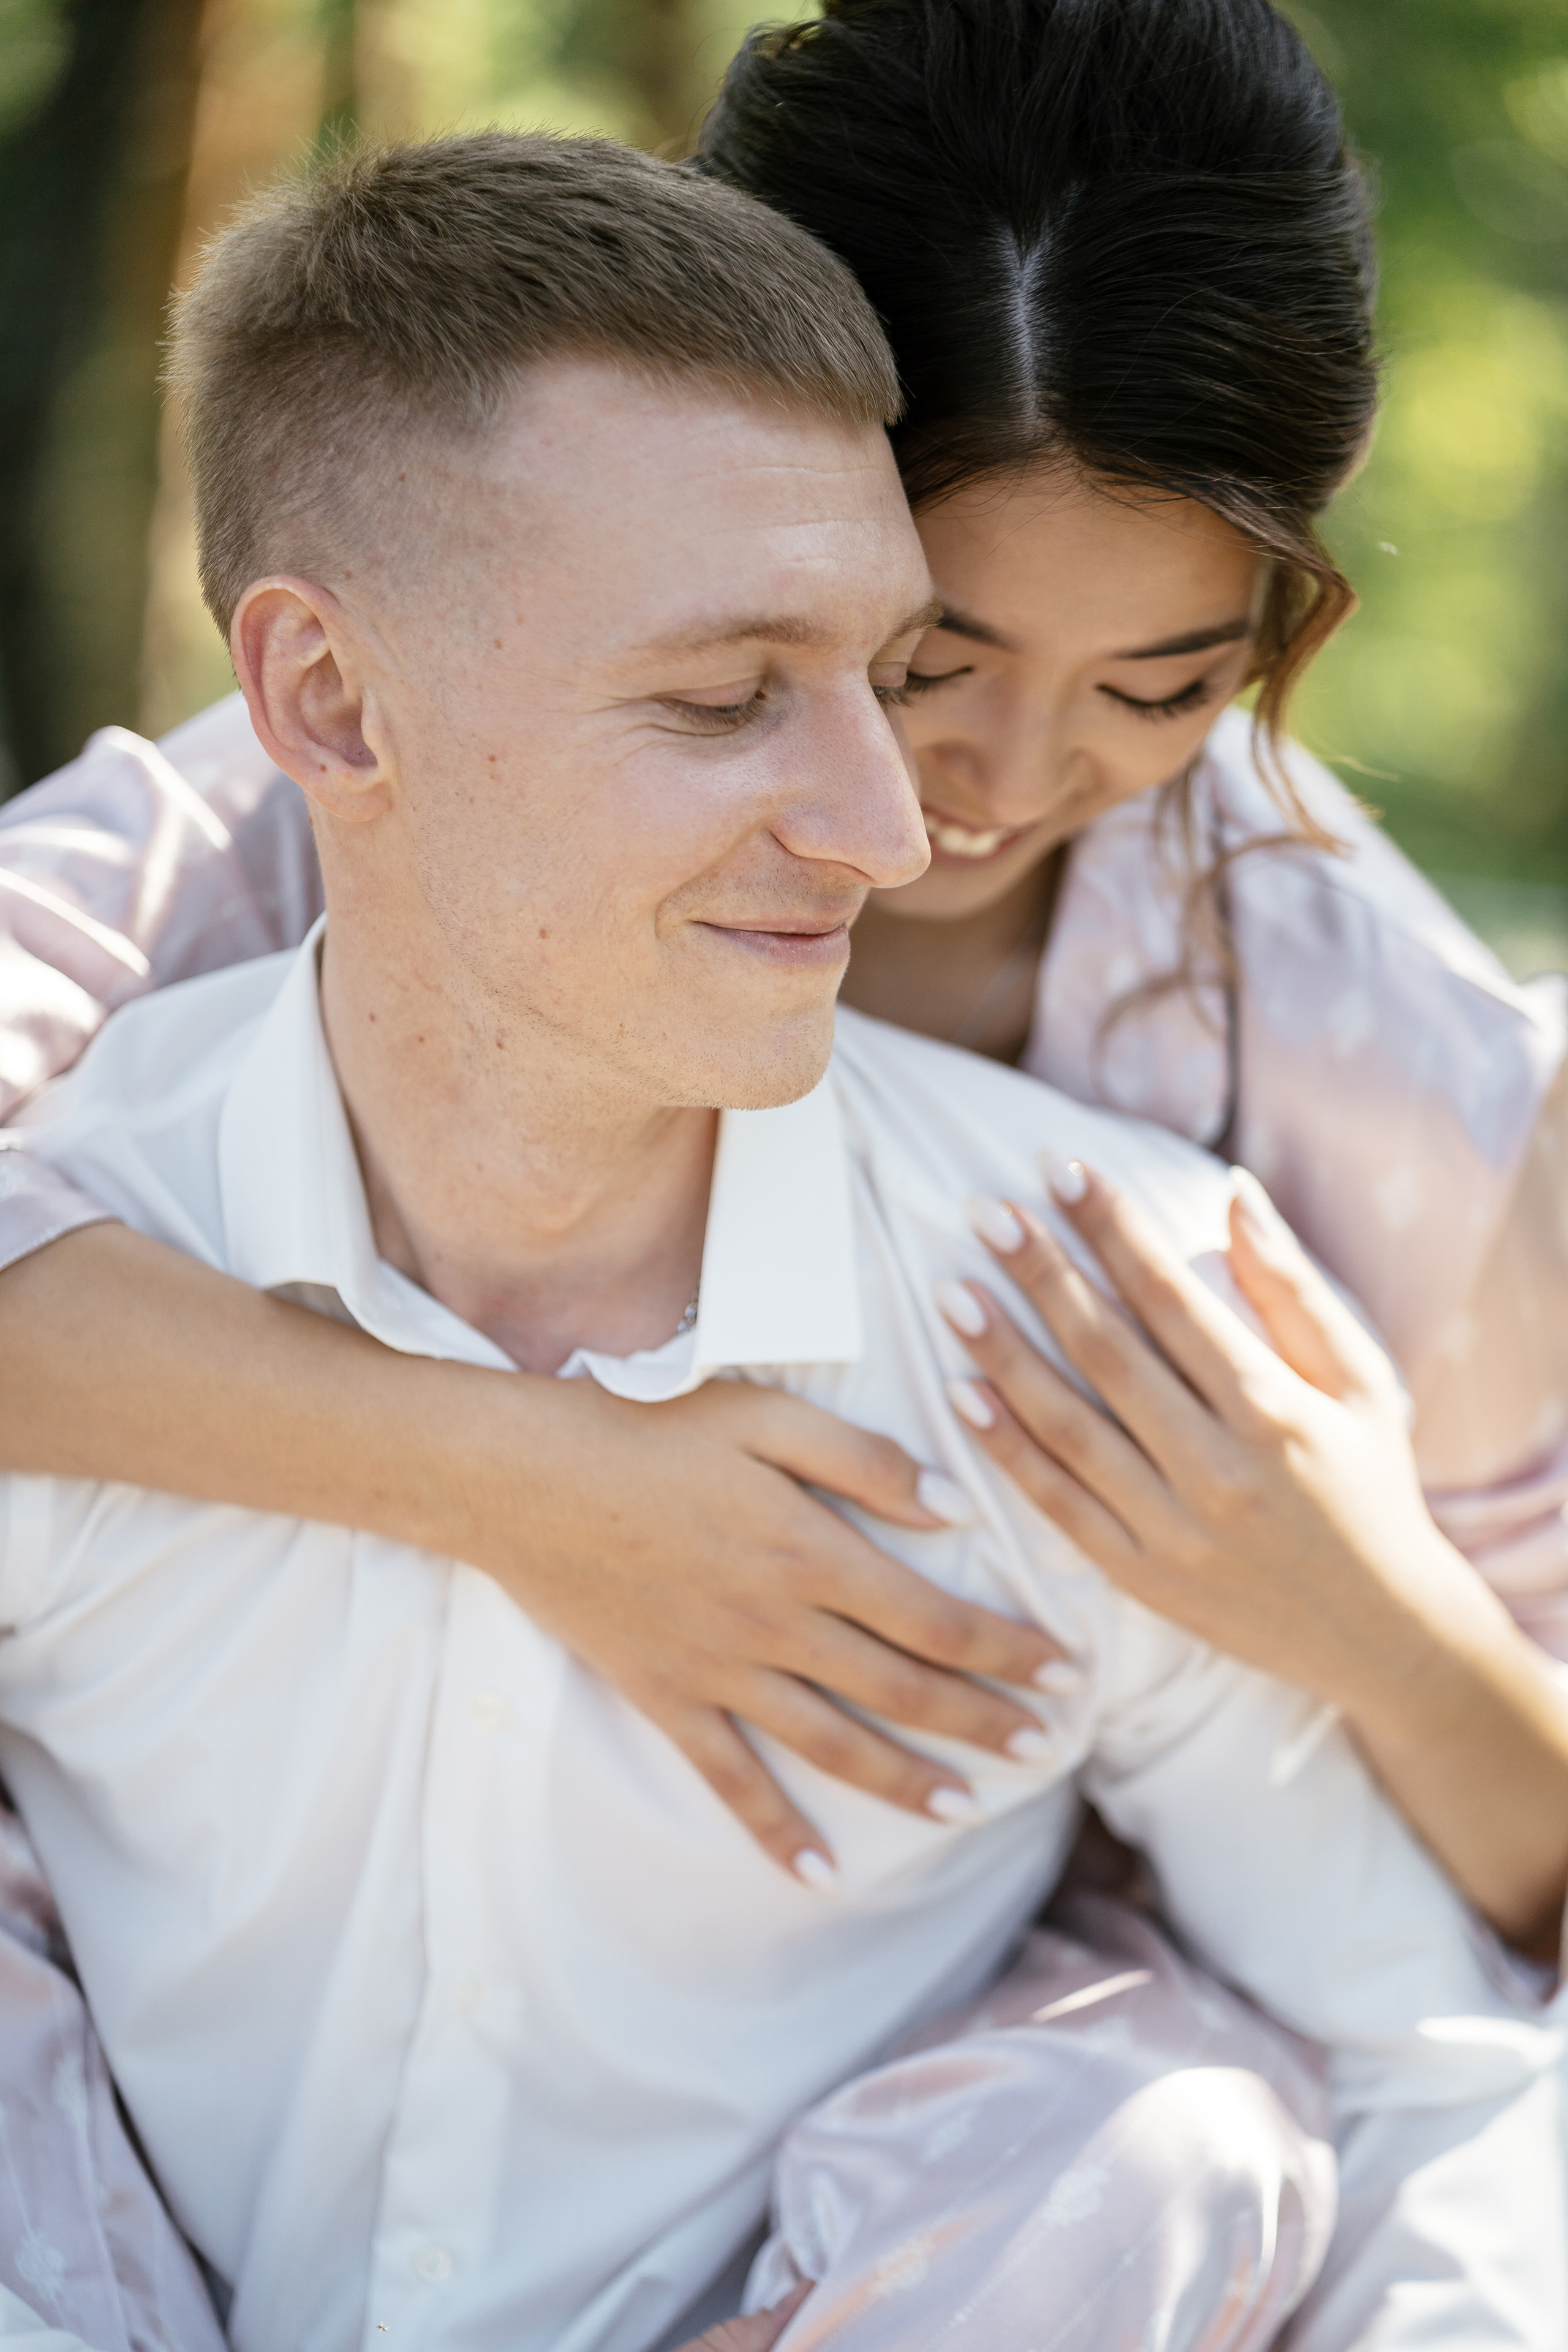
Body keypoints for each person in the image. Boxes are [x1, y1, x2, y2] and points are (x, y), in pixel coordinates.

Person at [1, 129, 1560, 2352]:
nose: (907, 813)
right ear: (332, 708)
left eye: (1157, 687)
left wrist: (1386, 1626)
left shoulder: (1171, 1266)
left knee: (1174, 2134)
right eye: (743, 691)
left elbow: (1438, 2058)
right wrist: (523, 1473)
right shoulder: (141, 1015)